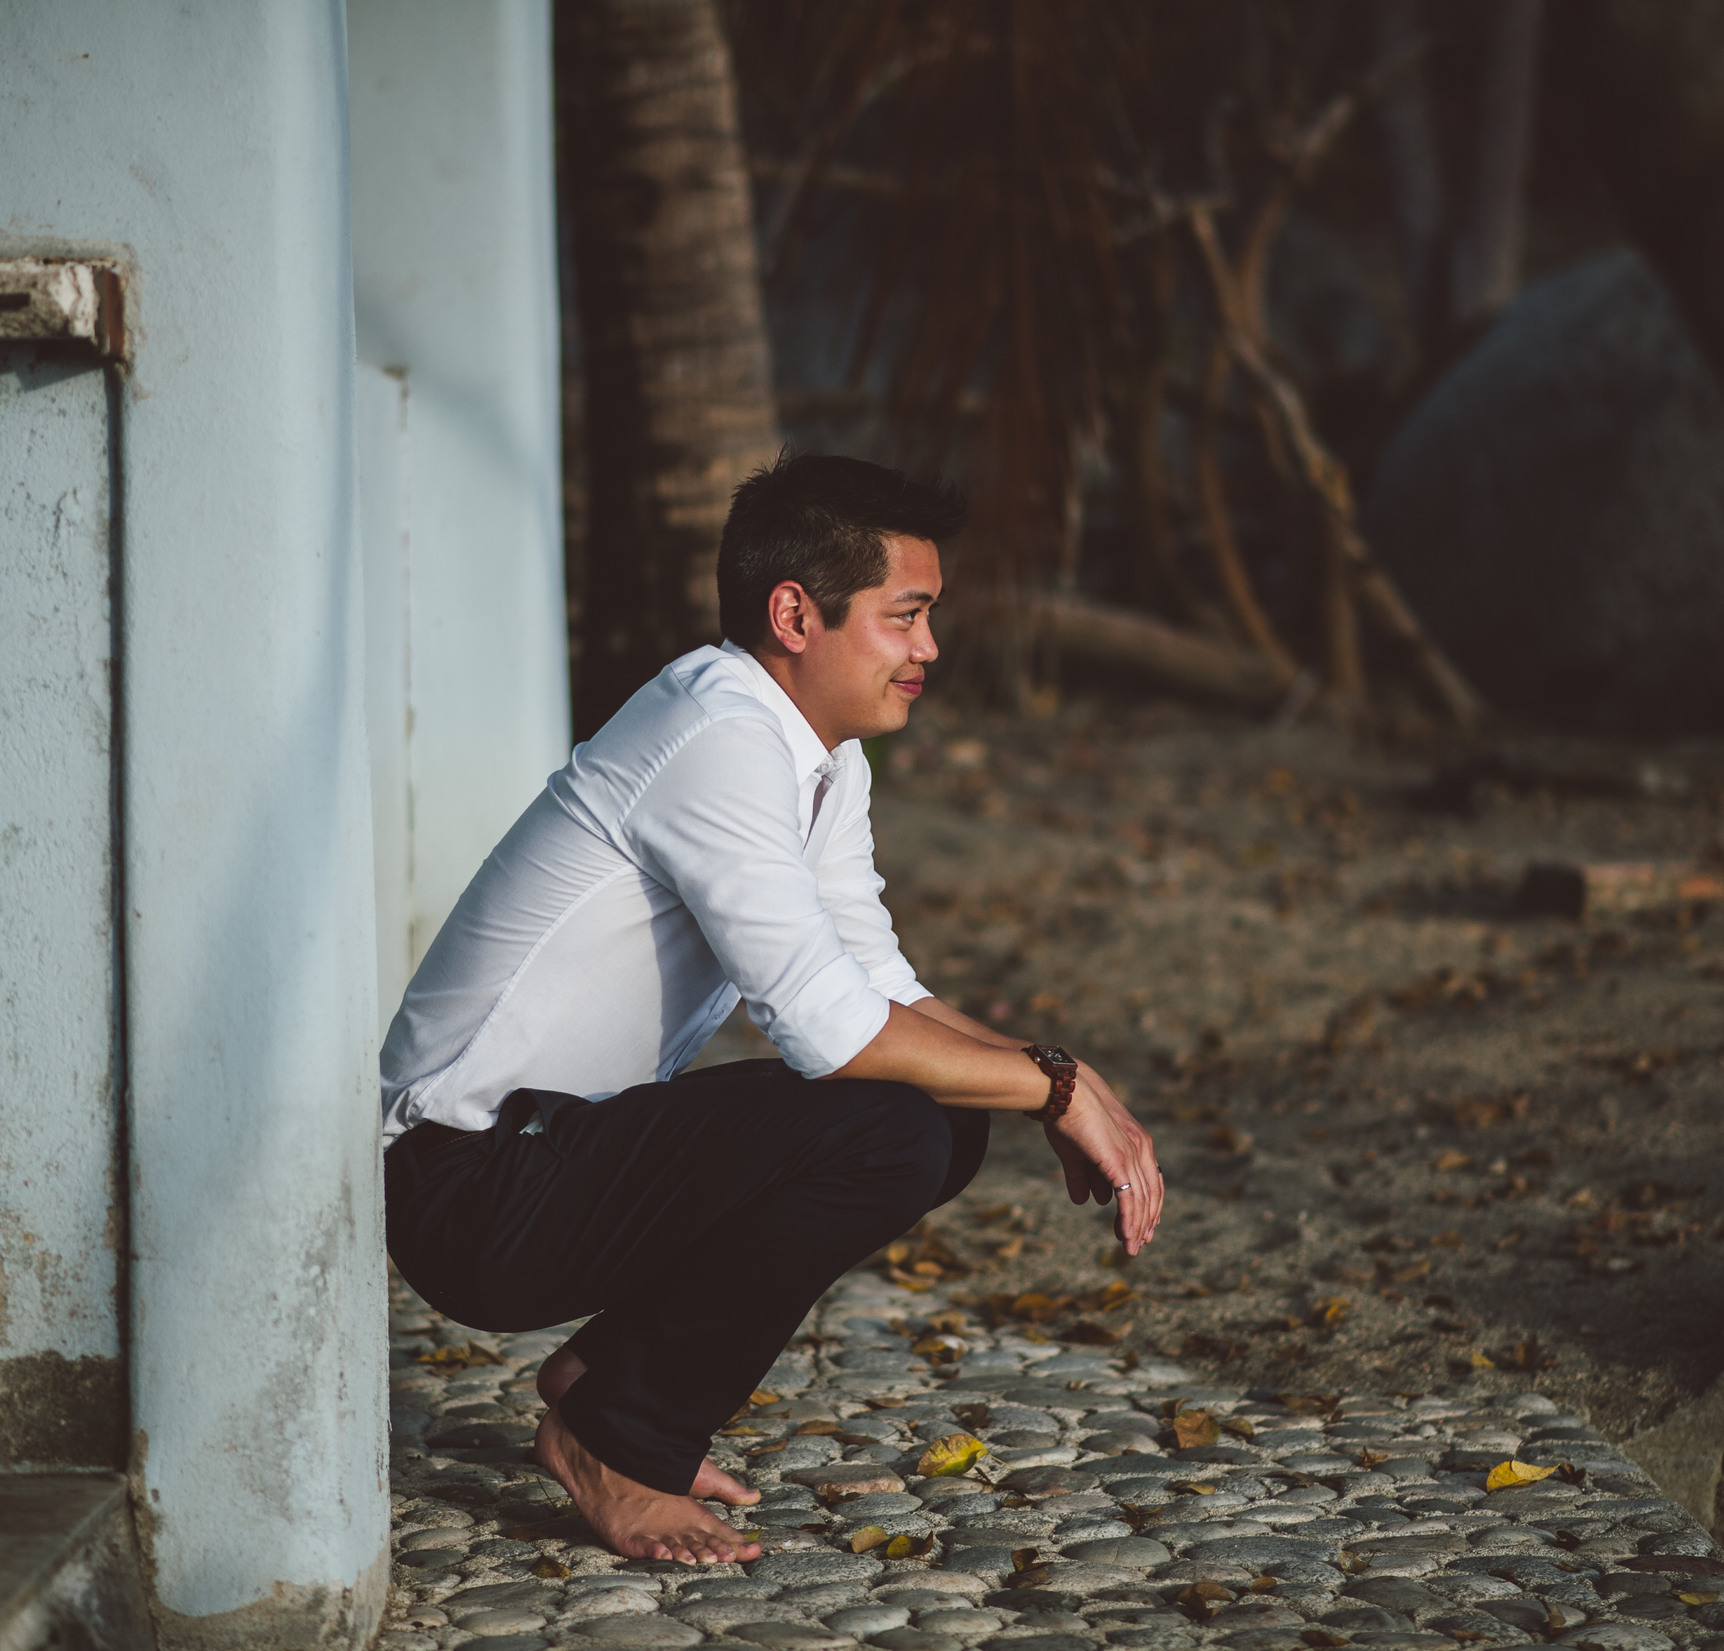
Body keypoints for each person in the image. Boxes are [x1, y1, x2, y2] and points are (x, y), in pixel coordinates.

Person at [380, 452, 1164, 1565]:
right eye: (906, 616)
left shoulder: (818, 763)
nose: (928, 648)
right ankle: (611, 1435)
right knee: (889, 1120)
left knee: (939, 1120)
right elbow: (833, 1034)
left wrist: (1055, 1075)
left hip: (553, 1153)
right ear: (795, 612)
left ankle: (609, 1379)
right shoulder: (718, 734)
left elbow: (883, 988)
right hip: (468, 1186)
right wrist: (1060, 1085)